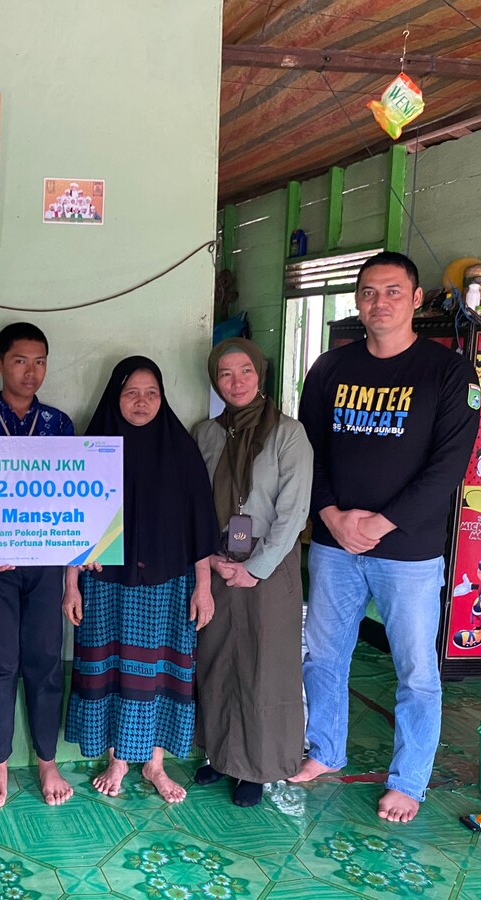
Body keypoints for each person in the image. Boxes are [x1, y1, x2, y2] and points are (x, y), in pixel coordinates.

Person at [293, 251, 481, 823]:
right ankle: (325, 751)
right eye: (369, 292)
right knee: (323, 656)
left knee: (416, 672)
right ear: (357, 301)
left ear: (417, 299)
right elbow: (307, 452)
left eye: (393, 291)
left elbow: (448, 468)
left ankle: (408, 780)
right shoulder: (329, 369)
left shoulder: (448, 373)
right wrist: (330, 516)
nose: (380, 302)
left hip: (409, 552)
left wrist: (380, 523)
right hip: (334, 545)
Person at [63, 356, 219, 802]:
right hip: (105, 583)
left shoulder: (181, 450)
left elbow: (200, 525)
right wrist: (71, 585)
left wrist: (204, 587)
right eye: (131, 392)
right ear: (116, 396)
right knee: (112, 669)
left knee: (158, 673)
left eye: (152, 393)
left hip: (168, 586)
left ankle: (154, 763)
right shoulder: (93, 448)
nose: (142, 401)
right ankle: (117, 759)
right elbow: (71, 520)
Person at [0, 322, 76, 807]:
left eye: (40, 361)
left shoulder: (59, 425)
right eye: (21, 360)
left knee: (46, 662)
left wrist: (77, 566)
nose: (31, 371)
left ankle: (47, 760)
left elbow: (74, 500)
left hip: (45, 566)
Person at [192, 338, 312, 807]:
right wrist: (210, 558)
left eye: (245, 370)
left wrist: (257, 568)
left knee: (264, 667)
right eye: (225, 373)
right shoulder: (206, 434)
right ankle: (218, 755)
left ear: (259, 375)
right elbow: (194, 502)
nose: (236, 381)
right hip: (219, 564)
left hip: (270, 567)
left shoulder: (288, 434)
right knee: (217, 660)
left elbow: (293, 510)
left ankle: (256, 767)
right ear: (214, 380)